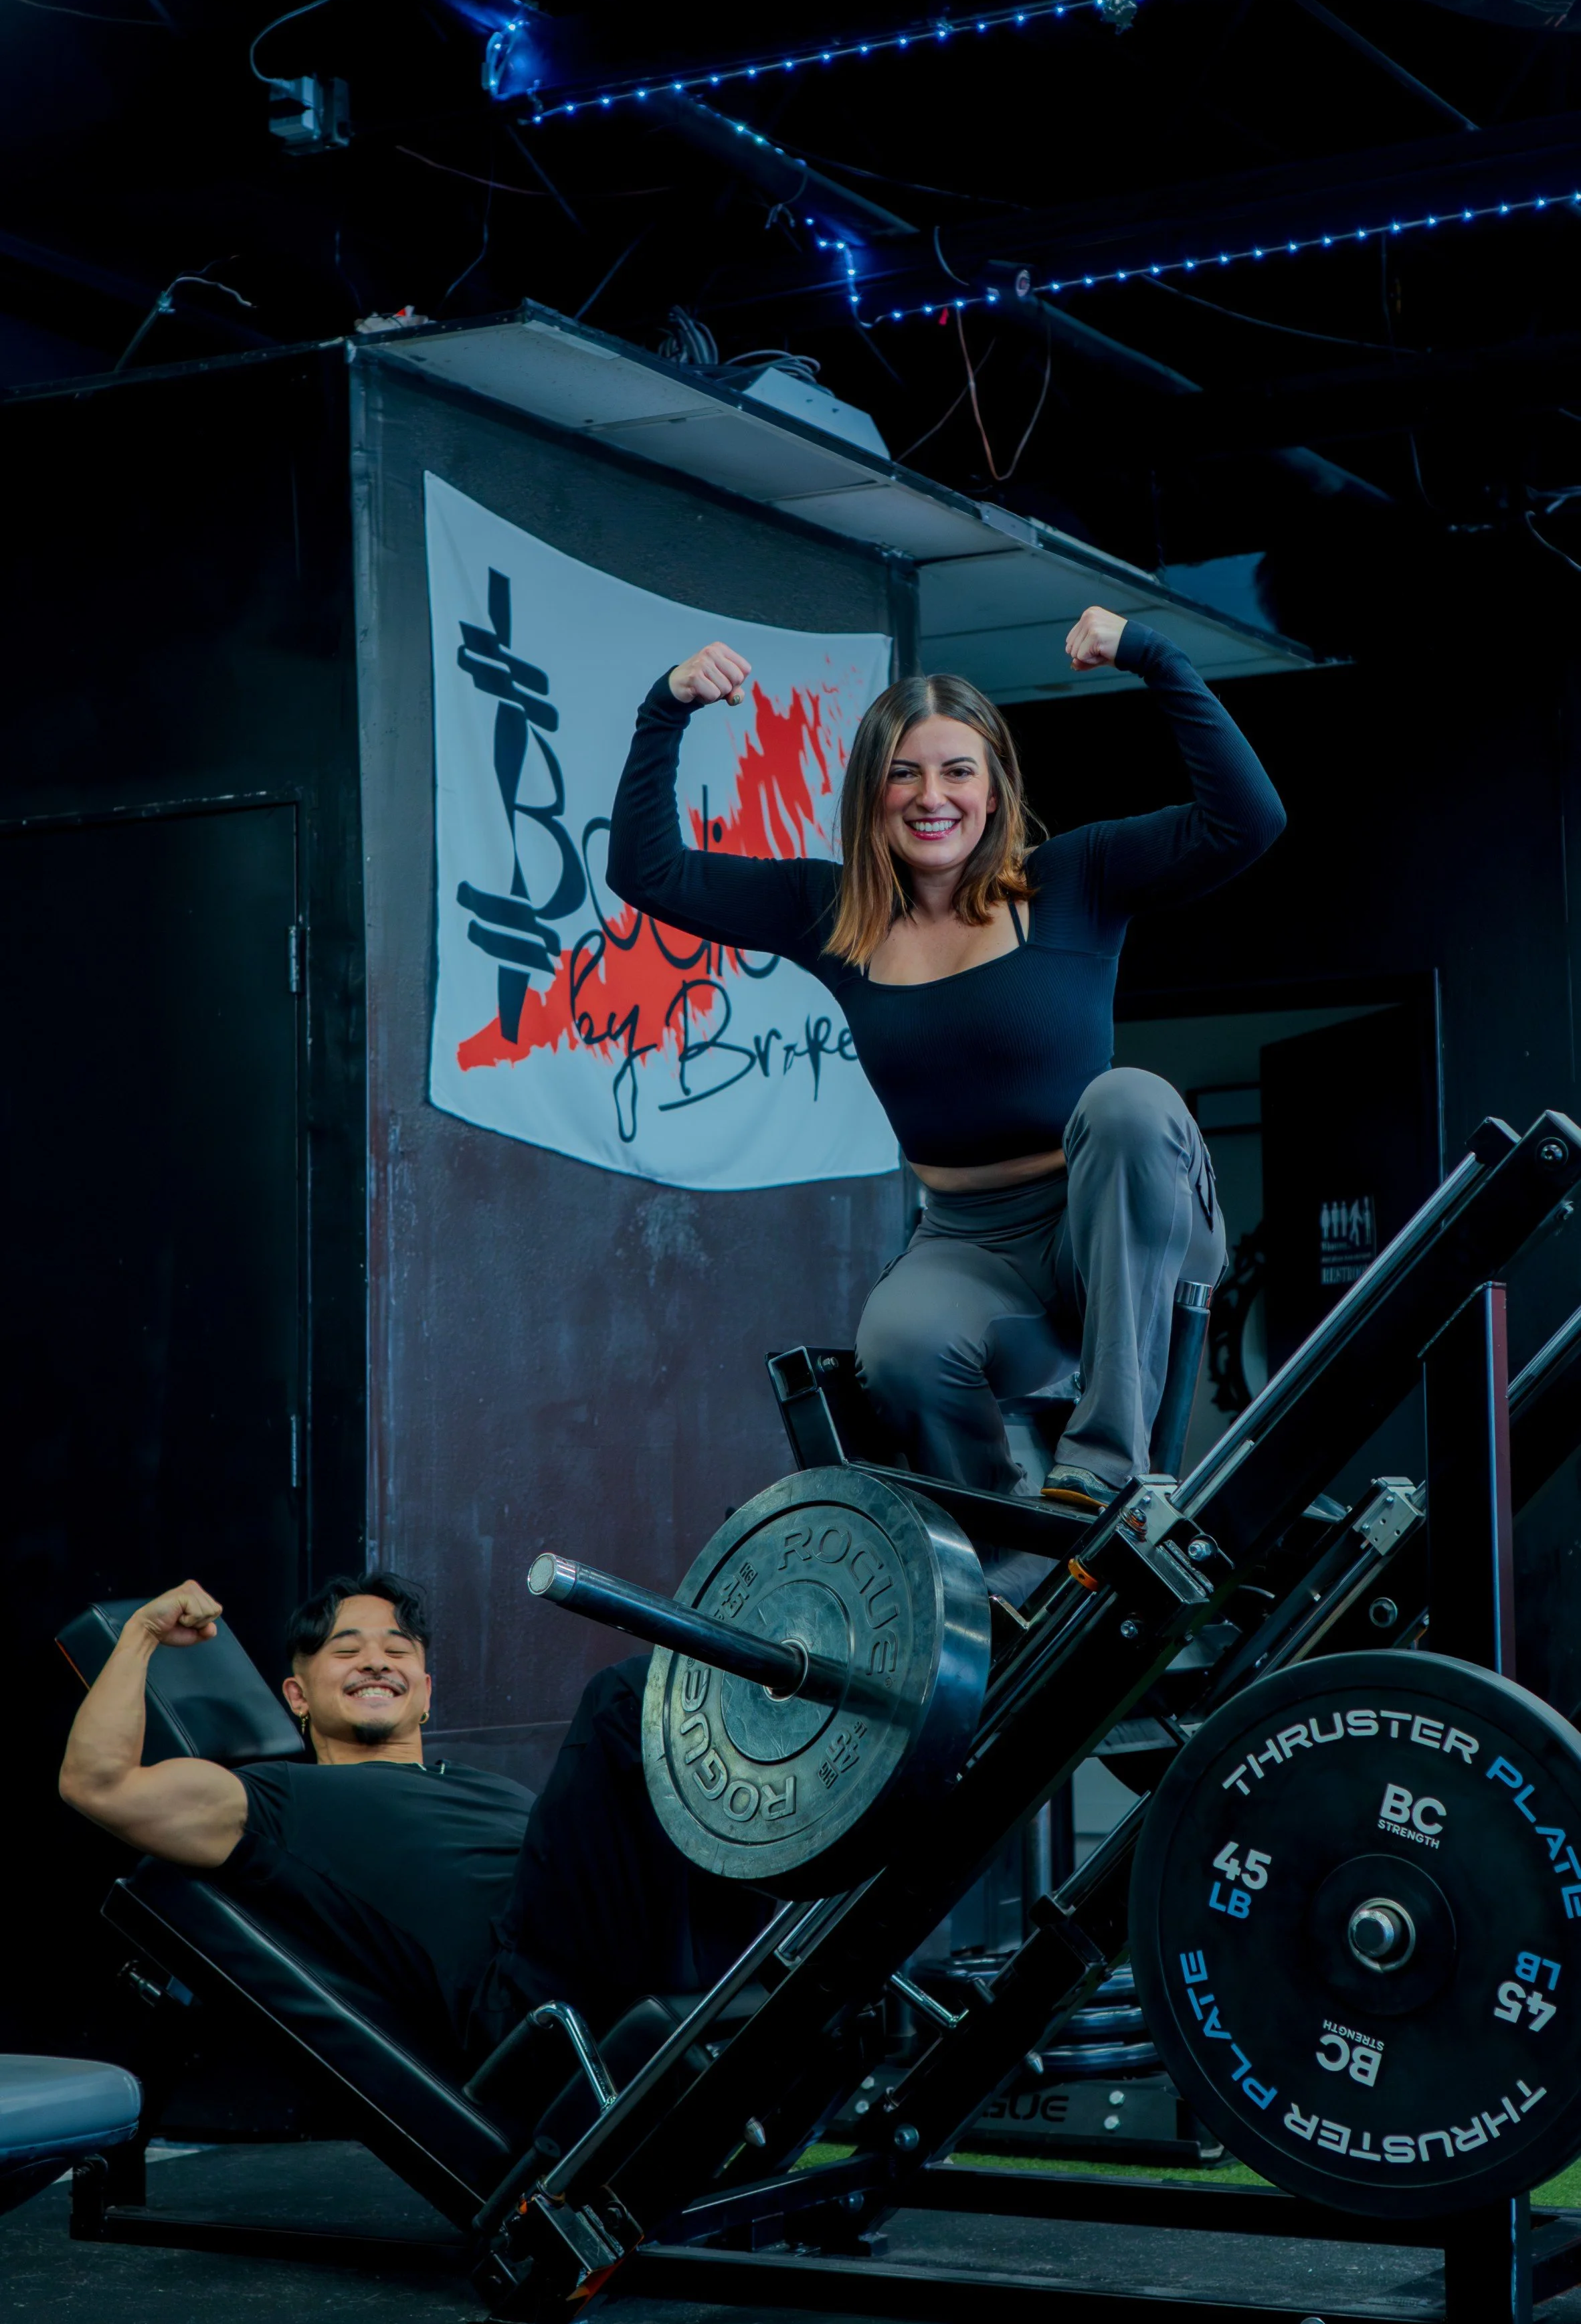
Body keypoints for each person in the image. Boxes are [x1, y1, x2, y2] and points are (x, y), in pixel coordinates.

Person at [608, 606, 1284, 1519]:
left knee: (1129, 1102)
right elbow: (646, 871)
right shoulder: (832, 914)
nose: (933, 795)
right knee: (900, 1342)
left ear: (994, 789)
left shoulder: (1073, 880)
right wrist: (666, 708)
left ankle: (1104, 1460)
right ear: (871, 795)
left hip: (1118, 1214)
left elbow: (1247, 821)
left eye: (957, 771)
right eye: (904, 774)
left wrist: (1151, 656)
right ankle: (1000, 1573)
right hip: (972, 1241)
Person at [60, 1573, 773, 2083]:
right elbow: (99, 1784)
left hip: (643, 1962)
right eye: (346, 1650)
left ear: (425, 1692)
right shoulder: (275, 1800)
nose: (376, 1660)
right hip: (530, 2003)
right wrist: (143, 1635)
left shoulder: (482, 1786)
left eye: (399, 1651)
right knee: (627, 1701)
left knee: (745, 1852)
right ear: (297, 1697)